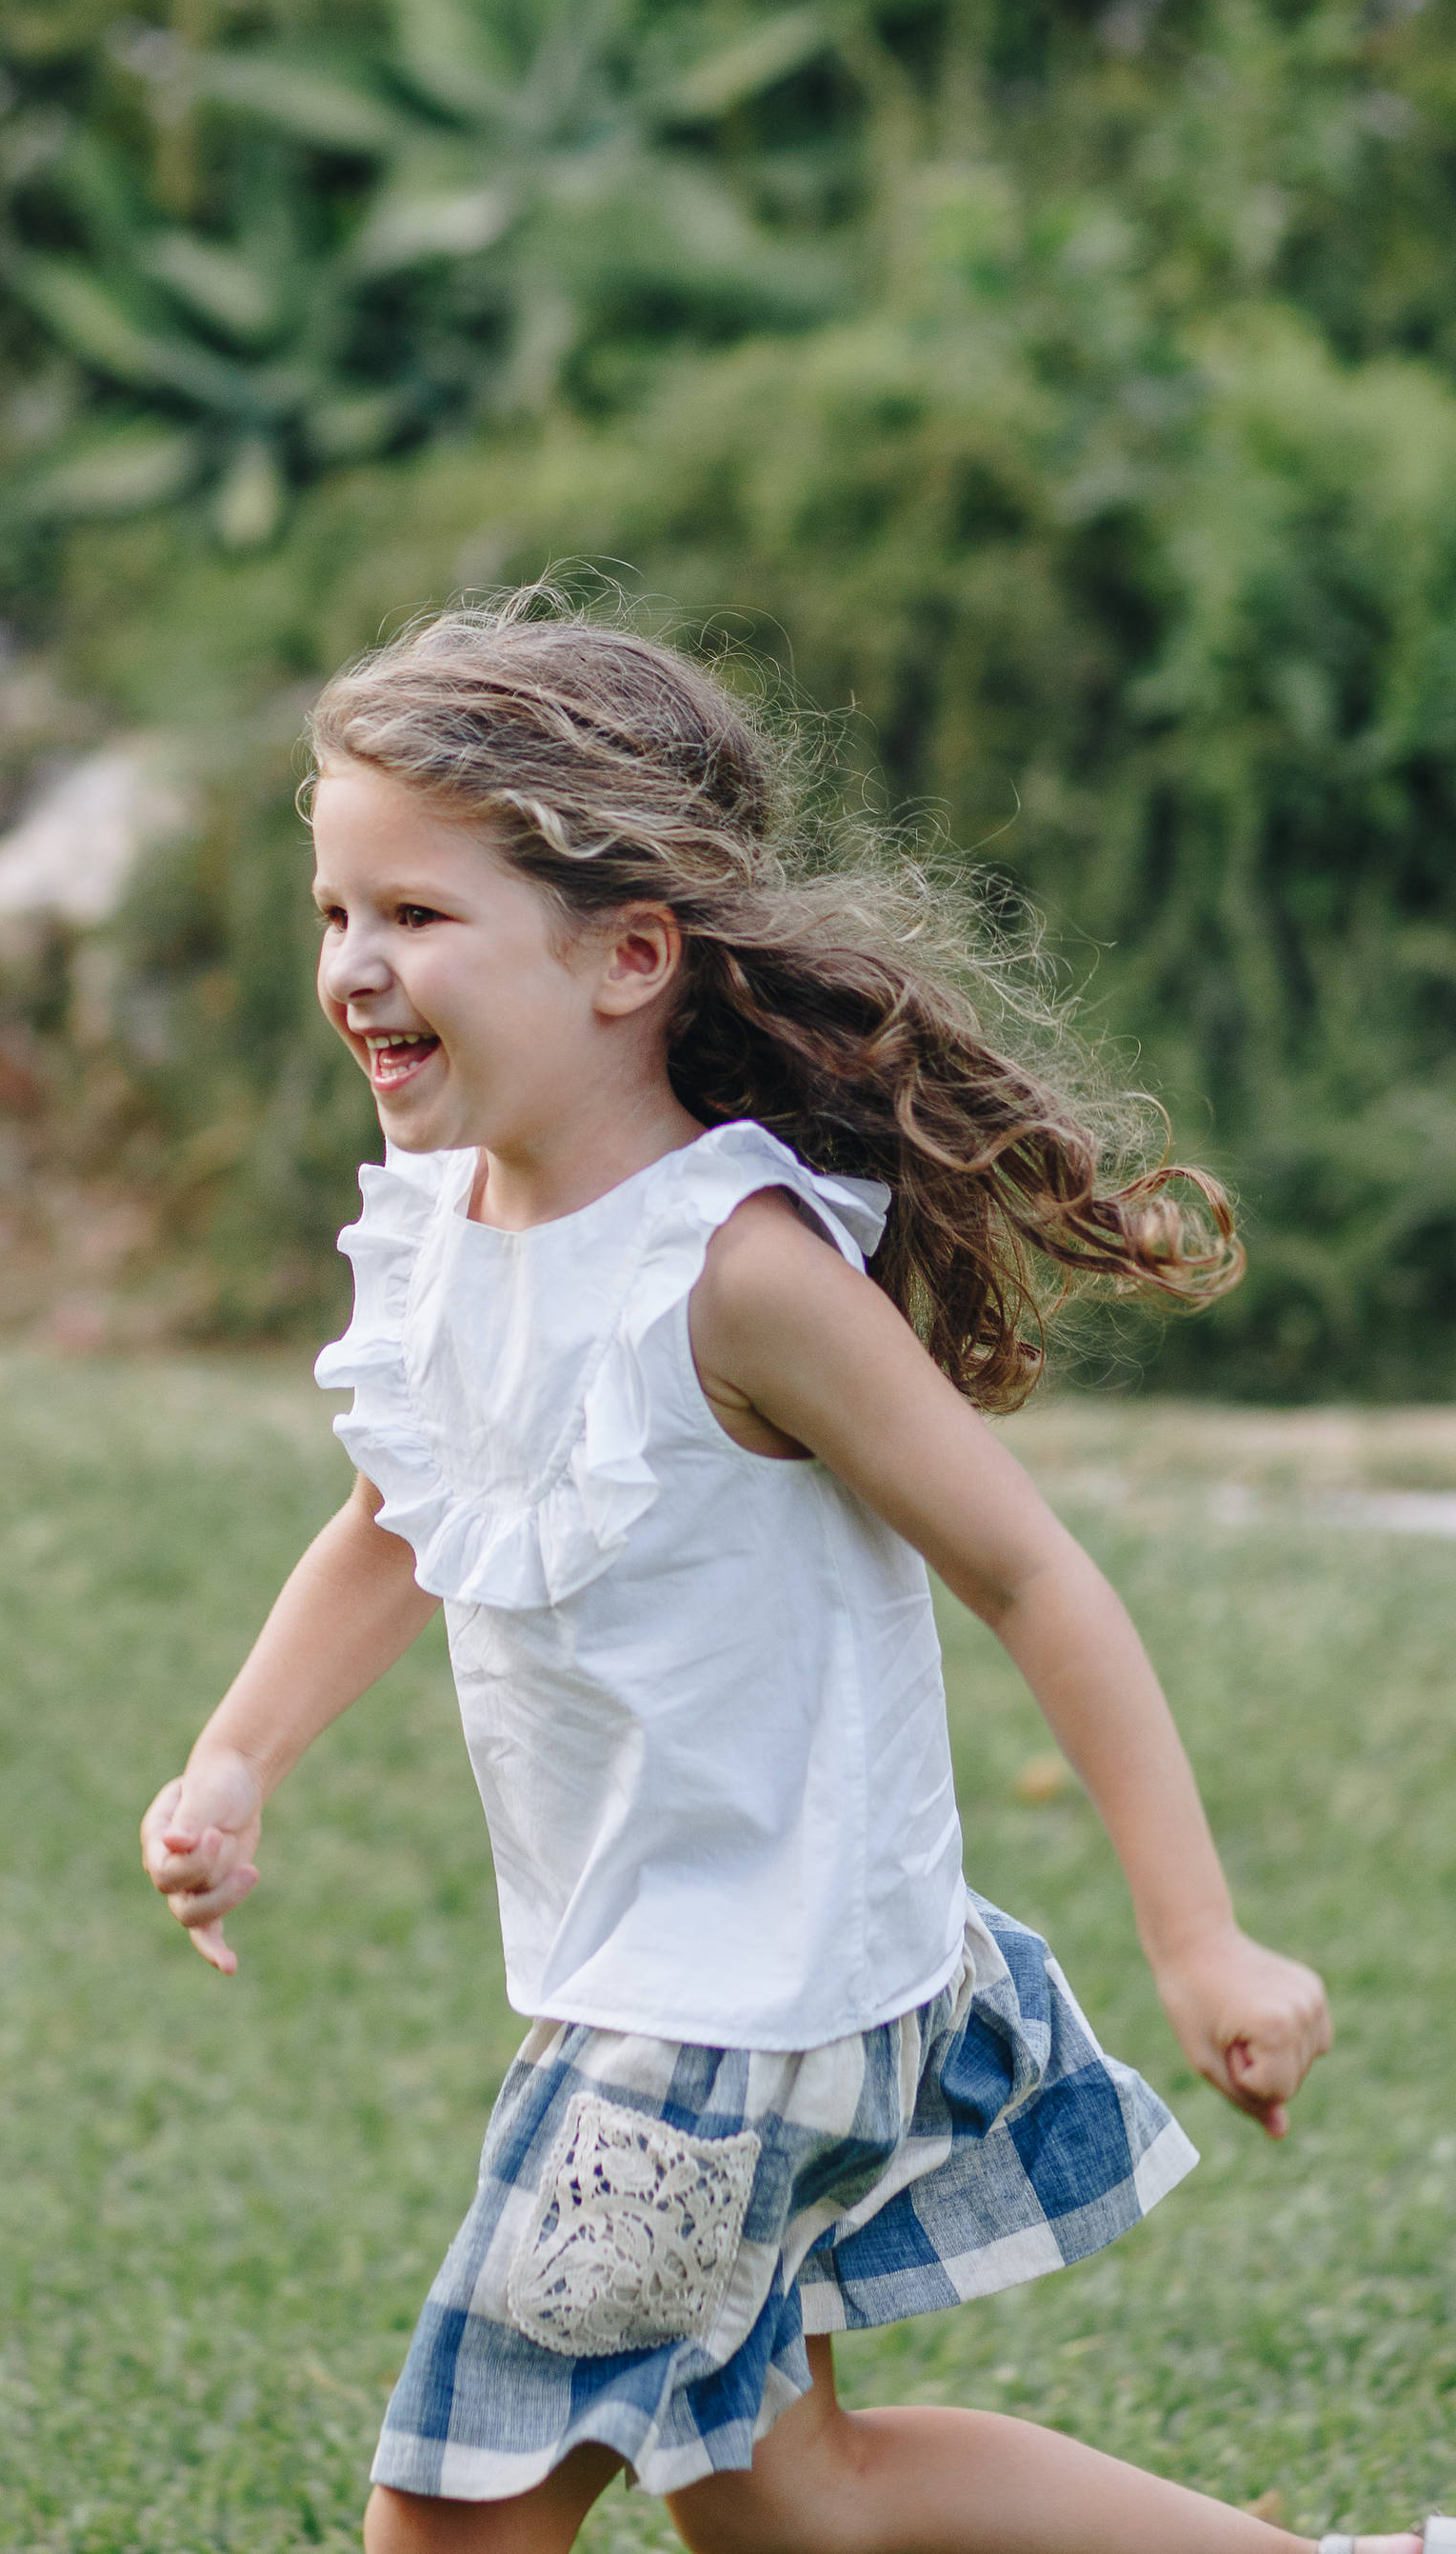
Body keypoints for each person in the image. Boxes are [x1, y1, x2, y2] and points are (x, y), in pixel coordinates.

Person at [141, 592, 1432, 2554]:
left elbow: (1032, 1577)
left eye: (415, 915)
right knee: (792, 2498)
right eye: (336, 913)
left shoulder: (736, 1269)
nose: (355, 965)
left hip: (729, 2017)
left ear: (626, 958)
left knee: (452, 2504)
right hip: (678, 1980)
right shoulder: (450, 1228)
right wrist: (239, 1755)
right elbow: (402, 1515)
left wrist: (1200, 1941)